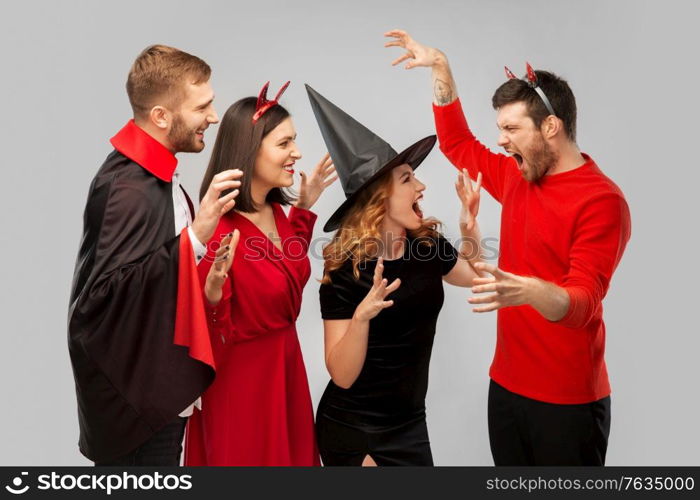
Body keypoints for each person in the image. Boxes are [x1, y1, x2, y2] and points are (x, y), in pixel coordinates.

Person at [385, 29, 632, 465]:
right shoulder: (518, 177)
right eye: (500, 129)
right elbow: (459, 144)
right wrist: (440, 67)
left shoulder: (602, 201)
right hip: (505, 388)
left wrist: (529, 289)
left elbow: (582, 304)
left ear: (551, 127)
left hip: (568, 403)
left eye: (512, 129)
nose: (501, 140)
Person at [68, 45, 244, 465]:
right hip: (137, 408)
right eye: (203, 106)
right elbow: (105, 297)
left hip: (156, 397)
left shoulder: (152, 174)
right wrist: (195, 237)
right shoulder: (127, 187)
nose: (214, 116)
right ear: (162, 116)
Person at [306, 85, 485, 466]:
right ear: (379, 199)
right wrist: (361, 317)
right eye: (406, 179)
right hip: (358, 429)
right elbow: (342, 375)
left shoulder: (427, 246)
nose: (420, 185)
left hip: (409, 425)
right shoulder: (344, 270)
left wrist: (470, 229)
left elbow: (476, 276)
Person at [183, 82, 337, 466]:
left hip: (285, 369)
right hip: (242, 386)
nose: (297, 153)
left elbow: (285, 273)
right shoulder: (217, 228)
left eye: (294, 142)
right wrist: (213, 294)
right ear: (252, 150)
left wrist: (302, 211)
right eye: (284, 144)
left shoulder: (278, 213)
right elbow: (199, 329)